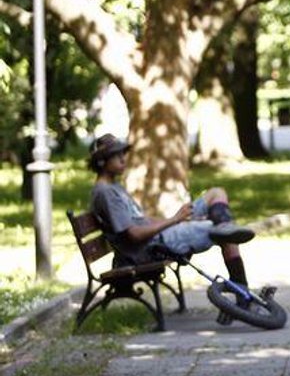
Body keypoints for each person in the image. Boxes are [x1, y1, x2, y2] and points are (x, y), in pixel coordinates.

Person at [88, 133, 257, 326]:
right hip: (152, 247)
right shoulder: (106, 193)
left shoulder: (114, 187)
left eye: (122, 153)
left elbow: (142, 220)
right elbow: (134, 234)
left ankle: (223, 226)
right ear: (101, 162)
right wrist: (175, 220)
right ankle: (243, 294)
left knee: (216, 194)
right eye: (115, 155)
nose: (122, 158)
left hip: (160, 236)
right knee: (223, 233)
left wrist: (178, 220)